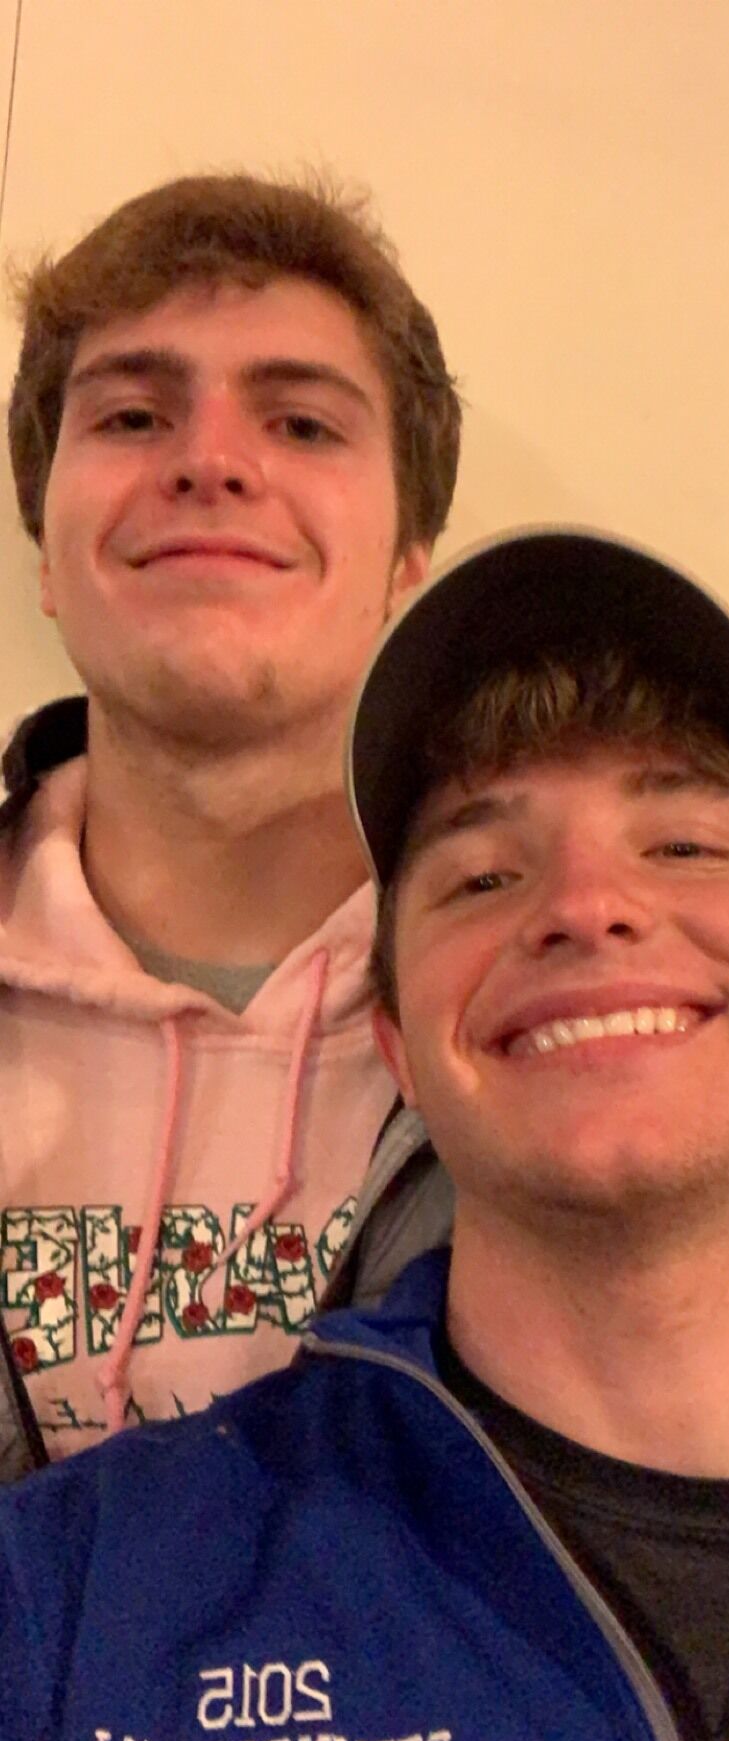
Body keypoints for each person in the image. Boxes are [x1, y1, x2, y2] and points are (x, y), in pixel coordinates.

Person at [2, 527, 729, 1741]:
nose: (585, 904)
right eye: (484, 875)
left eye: (684, 844)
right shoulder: (70, 1595)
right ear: (399, 1045)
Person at [0, 171, 460, 1471]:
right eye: (134, 415)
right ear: (44, 550)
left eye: (303, 424)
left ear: (407, 561)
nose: (210, 461)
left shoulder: (567, 1006)